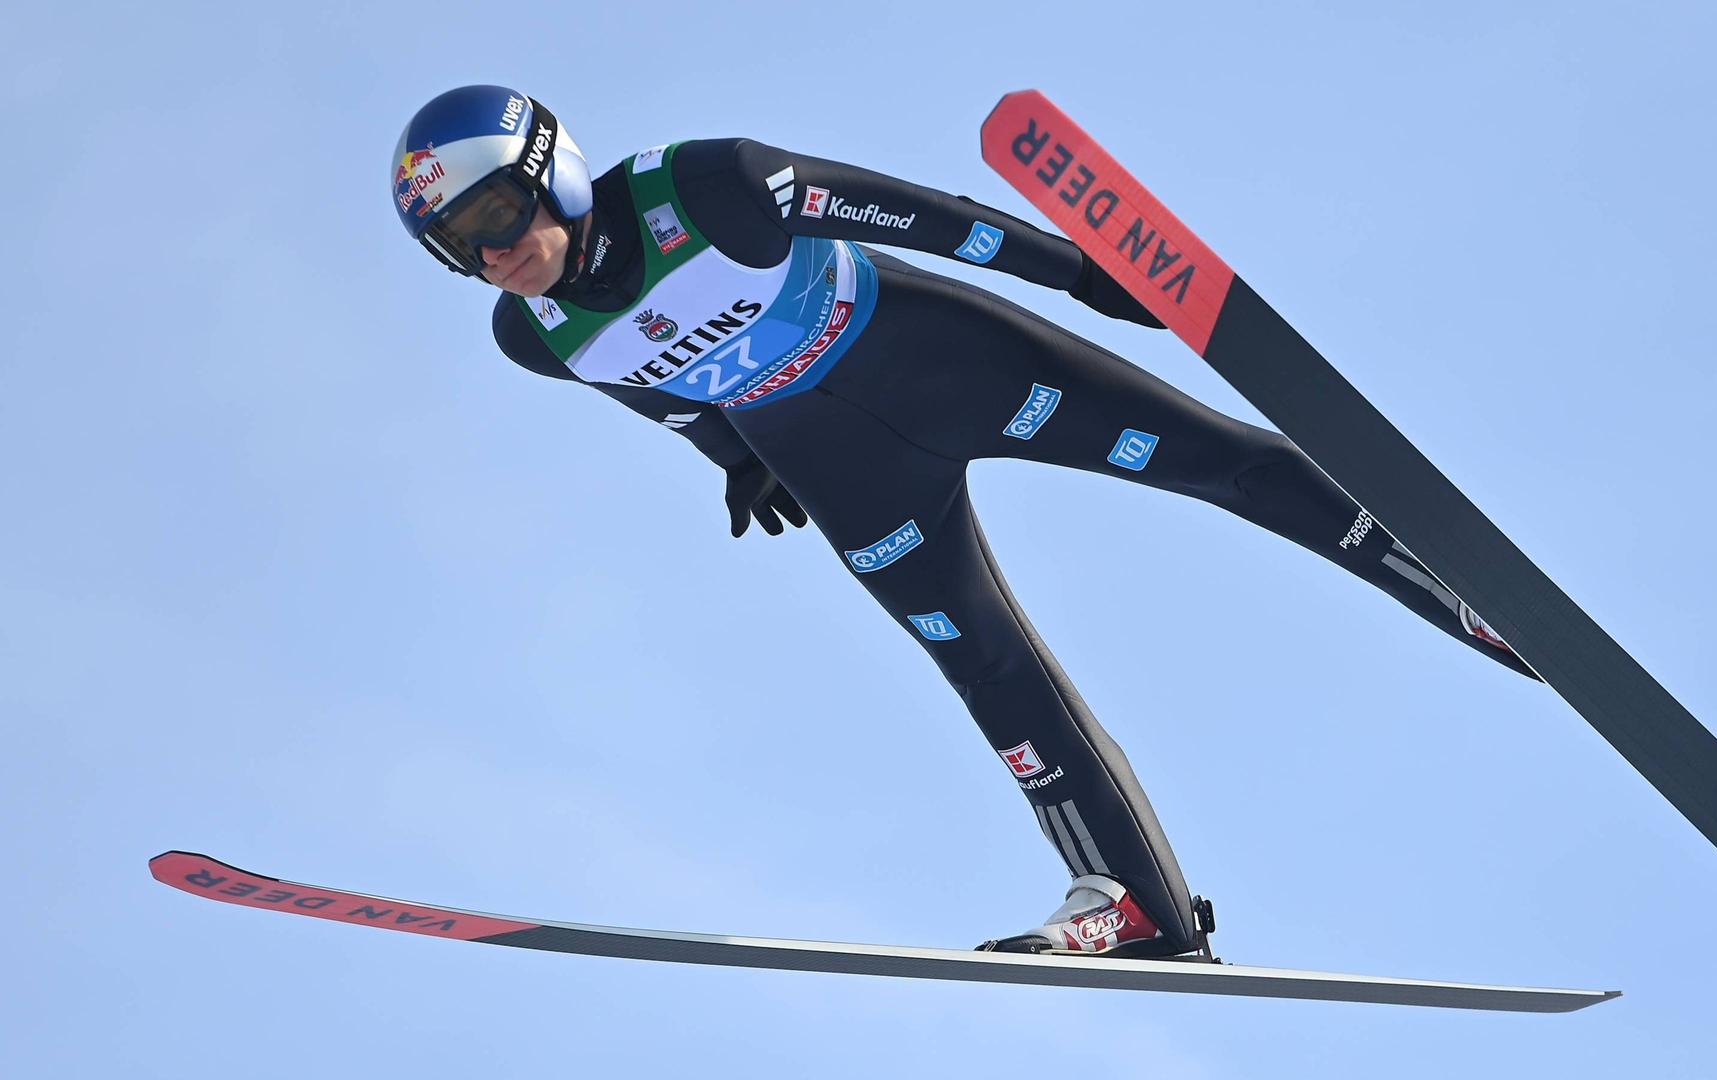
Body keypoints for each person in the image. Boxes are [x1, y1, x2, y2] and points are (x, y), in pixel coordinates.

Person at [391, 85, 1535, 959]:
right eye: (456, 246)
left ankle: (1471, 597)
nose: (491, 252)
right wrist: (733, 456)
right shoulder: (532, 336)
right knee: (985, 667)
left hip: (949, 363)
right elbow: (660, 394)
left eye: (492, 212)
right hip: (844, 470)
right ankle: (1133, 904)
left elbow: (932, 219)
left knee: (1222, 464)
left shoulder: (708, 186)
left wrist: (1081, 275)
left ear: (552, 172)